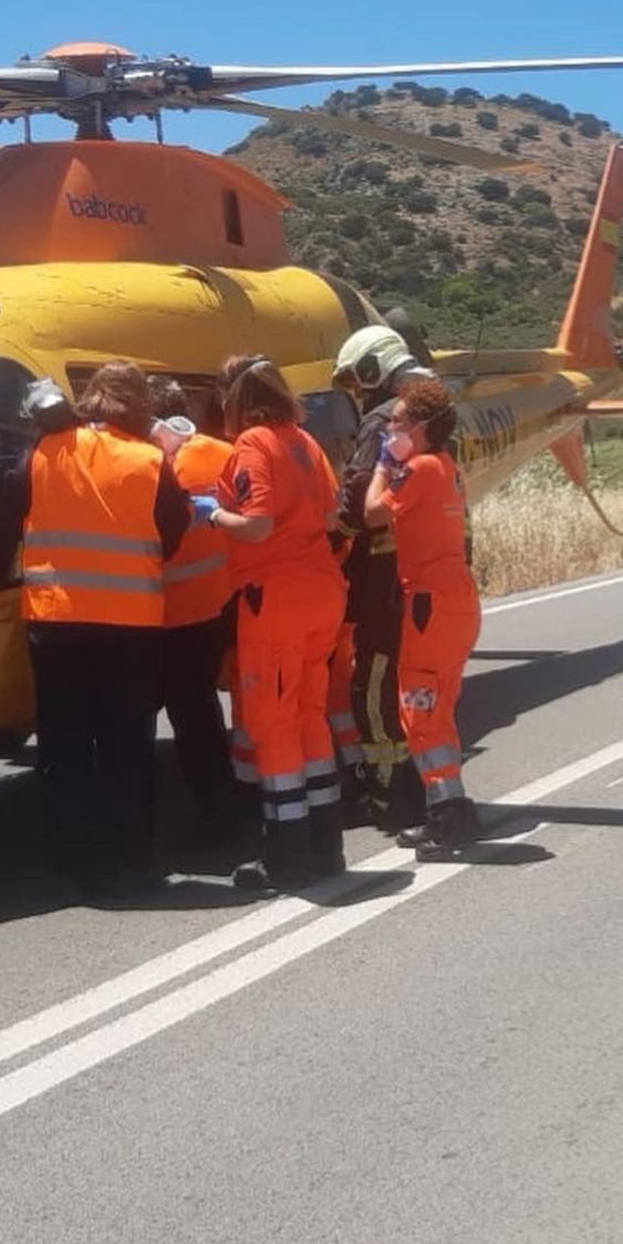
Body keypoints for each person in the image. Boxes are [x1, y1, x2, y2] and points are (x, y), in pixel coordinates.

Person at [19, 362, 192, 896]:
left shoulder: (44, 451)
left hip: (55, 618)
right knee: (125, 745)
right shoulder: (148, 460)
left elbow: (8, 506)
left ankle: (72, 857)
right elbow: (175, 528)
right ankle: (130, 856)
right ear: (140, 405)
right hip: (130, 624)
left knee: (64, 742)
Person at [206, 355, 348, 890]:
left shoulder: (254, 445)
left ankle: (288, 852)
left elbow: (258, 524)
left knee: (273, 720)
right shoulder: (305, 442)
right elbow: (332, 515)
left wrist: (215, 515)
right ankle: (325, 844)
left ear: (235, 399)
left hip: (277, 597)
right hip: (321, 592)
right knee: (311, 714)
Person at [364, 377, 486, 857]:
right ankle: (449, 804)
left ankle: (445, 814)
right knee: (440, 707)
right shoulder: (448, 467)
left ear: (419, 427)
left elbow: (374, 512)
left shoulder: (417, 469)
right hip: (456, 602)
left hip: (428, 606)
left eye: (395, 421)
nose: (389, 428)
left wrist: (382, 465)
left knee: (419, 709)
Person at [331, 323, 437, 831]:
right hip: (424, 575)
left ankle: (391, 793)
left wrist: (333, 526)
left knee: (372, 685)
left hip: (382, 580)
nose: (357, 392)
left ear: (373, 370)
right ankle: (420, 784)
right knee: (413, 682)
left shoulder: (380, 424)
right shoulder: (430, 423)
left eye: (357, 381)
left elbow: (357, 500)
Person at [147, 376, 238, 843]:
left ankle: (213, 816)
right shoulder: (224, 452)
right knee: (208, 707)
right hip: (224, 601)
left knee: (183, 714)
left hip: (174, 612)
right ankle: (235, 798)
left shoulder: (153, 463)